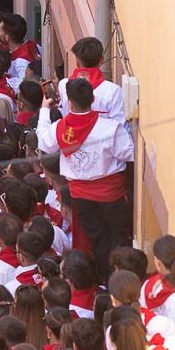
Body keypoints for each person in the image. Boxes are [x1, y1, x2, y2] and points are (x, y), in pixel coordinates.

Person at [37, 76, 134, 279]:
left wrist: (45, 111)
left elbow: (45, 143)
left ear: (69, 102)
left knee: (97, 239)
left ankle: (104, 280)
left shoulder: (59, 128)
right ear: (92, 99)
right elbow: (128, 153)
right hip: (111, 194)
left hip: (82, 196)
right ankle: (119, 279)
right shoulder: (109, 127)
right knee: (118, 237)